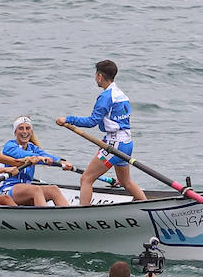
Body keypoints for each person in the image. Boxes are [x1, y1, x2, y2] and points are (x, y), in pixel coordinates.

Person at [54, 59, 146, 206]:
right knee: (125, 181)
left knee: (86, 179)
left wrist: (67, 119)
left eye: (96, 74)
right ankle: (145, 205)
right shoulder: (121, 95)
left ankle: (83, 213)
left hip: (114, 145)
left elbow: (91, 122)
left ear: (100, 76)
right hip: (126, 143)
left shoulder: (105, 97)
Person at [0, 116, 73, 207]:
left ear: (31, 131)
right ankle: (44, 218)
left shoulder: (33, 148)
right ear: (15, 132)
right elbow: (21, 154)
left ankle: (68, 216)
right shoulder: (9, 146)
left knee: (53, 189)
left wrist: (61, 161)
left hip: (27, 190)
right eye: (21, 128)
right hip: (7, 189)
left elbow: (46, 156)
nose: (25, 132)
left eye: (28, 128)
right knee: (35, 189)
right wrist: (38, 158)